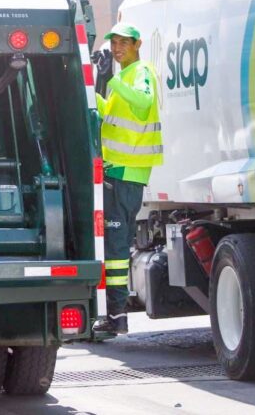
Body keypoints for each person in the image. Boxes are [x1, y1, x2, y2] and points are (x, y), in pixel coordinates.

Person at [92, 23, 163, 334]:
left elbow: (144, 102)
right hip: (115, 169)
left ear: (137, 44)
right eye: (114, 43)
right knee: (113, 244)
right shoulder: (121, 77)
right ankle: (114, 314)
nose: (118, 48)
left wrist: (114, 82)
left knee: (118, 246)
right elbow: (105, 116)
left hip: (127, 170)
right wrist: (100, 81)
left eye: (124, 43)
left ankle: (117, 316)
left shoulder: (142, 71)